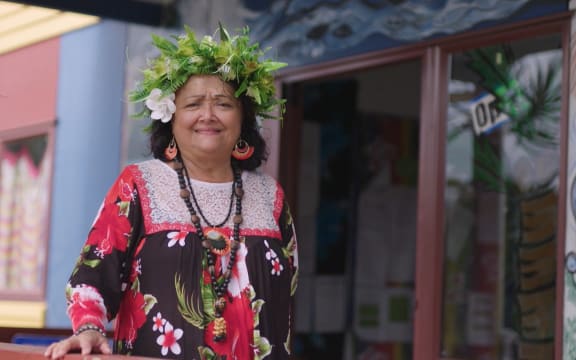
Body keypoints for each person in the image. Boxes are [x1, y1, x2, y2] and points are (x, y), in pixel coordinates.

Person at [44, 24, 298, 360]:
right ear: (171, 118)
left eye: (223, 103)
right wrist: (88, 327)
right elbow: (93, 272)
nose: (207, 115)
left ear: (243, 119)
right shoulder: (138, 184)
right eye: (193, 104)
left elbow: (288, 297)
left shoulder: (270, 196)